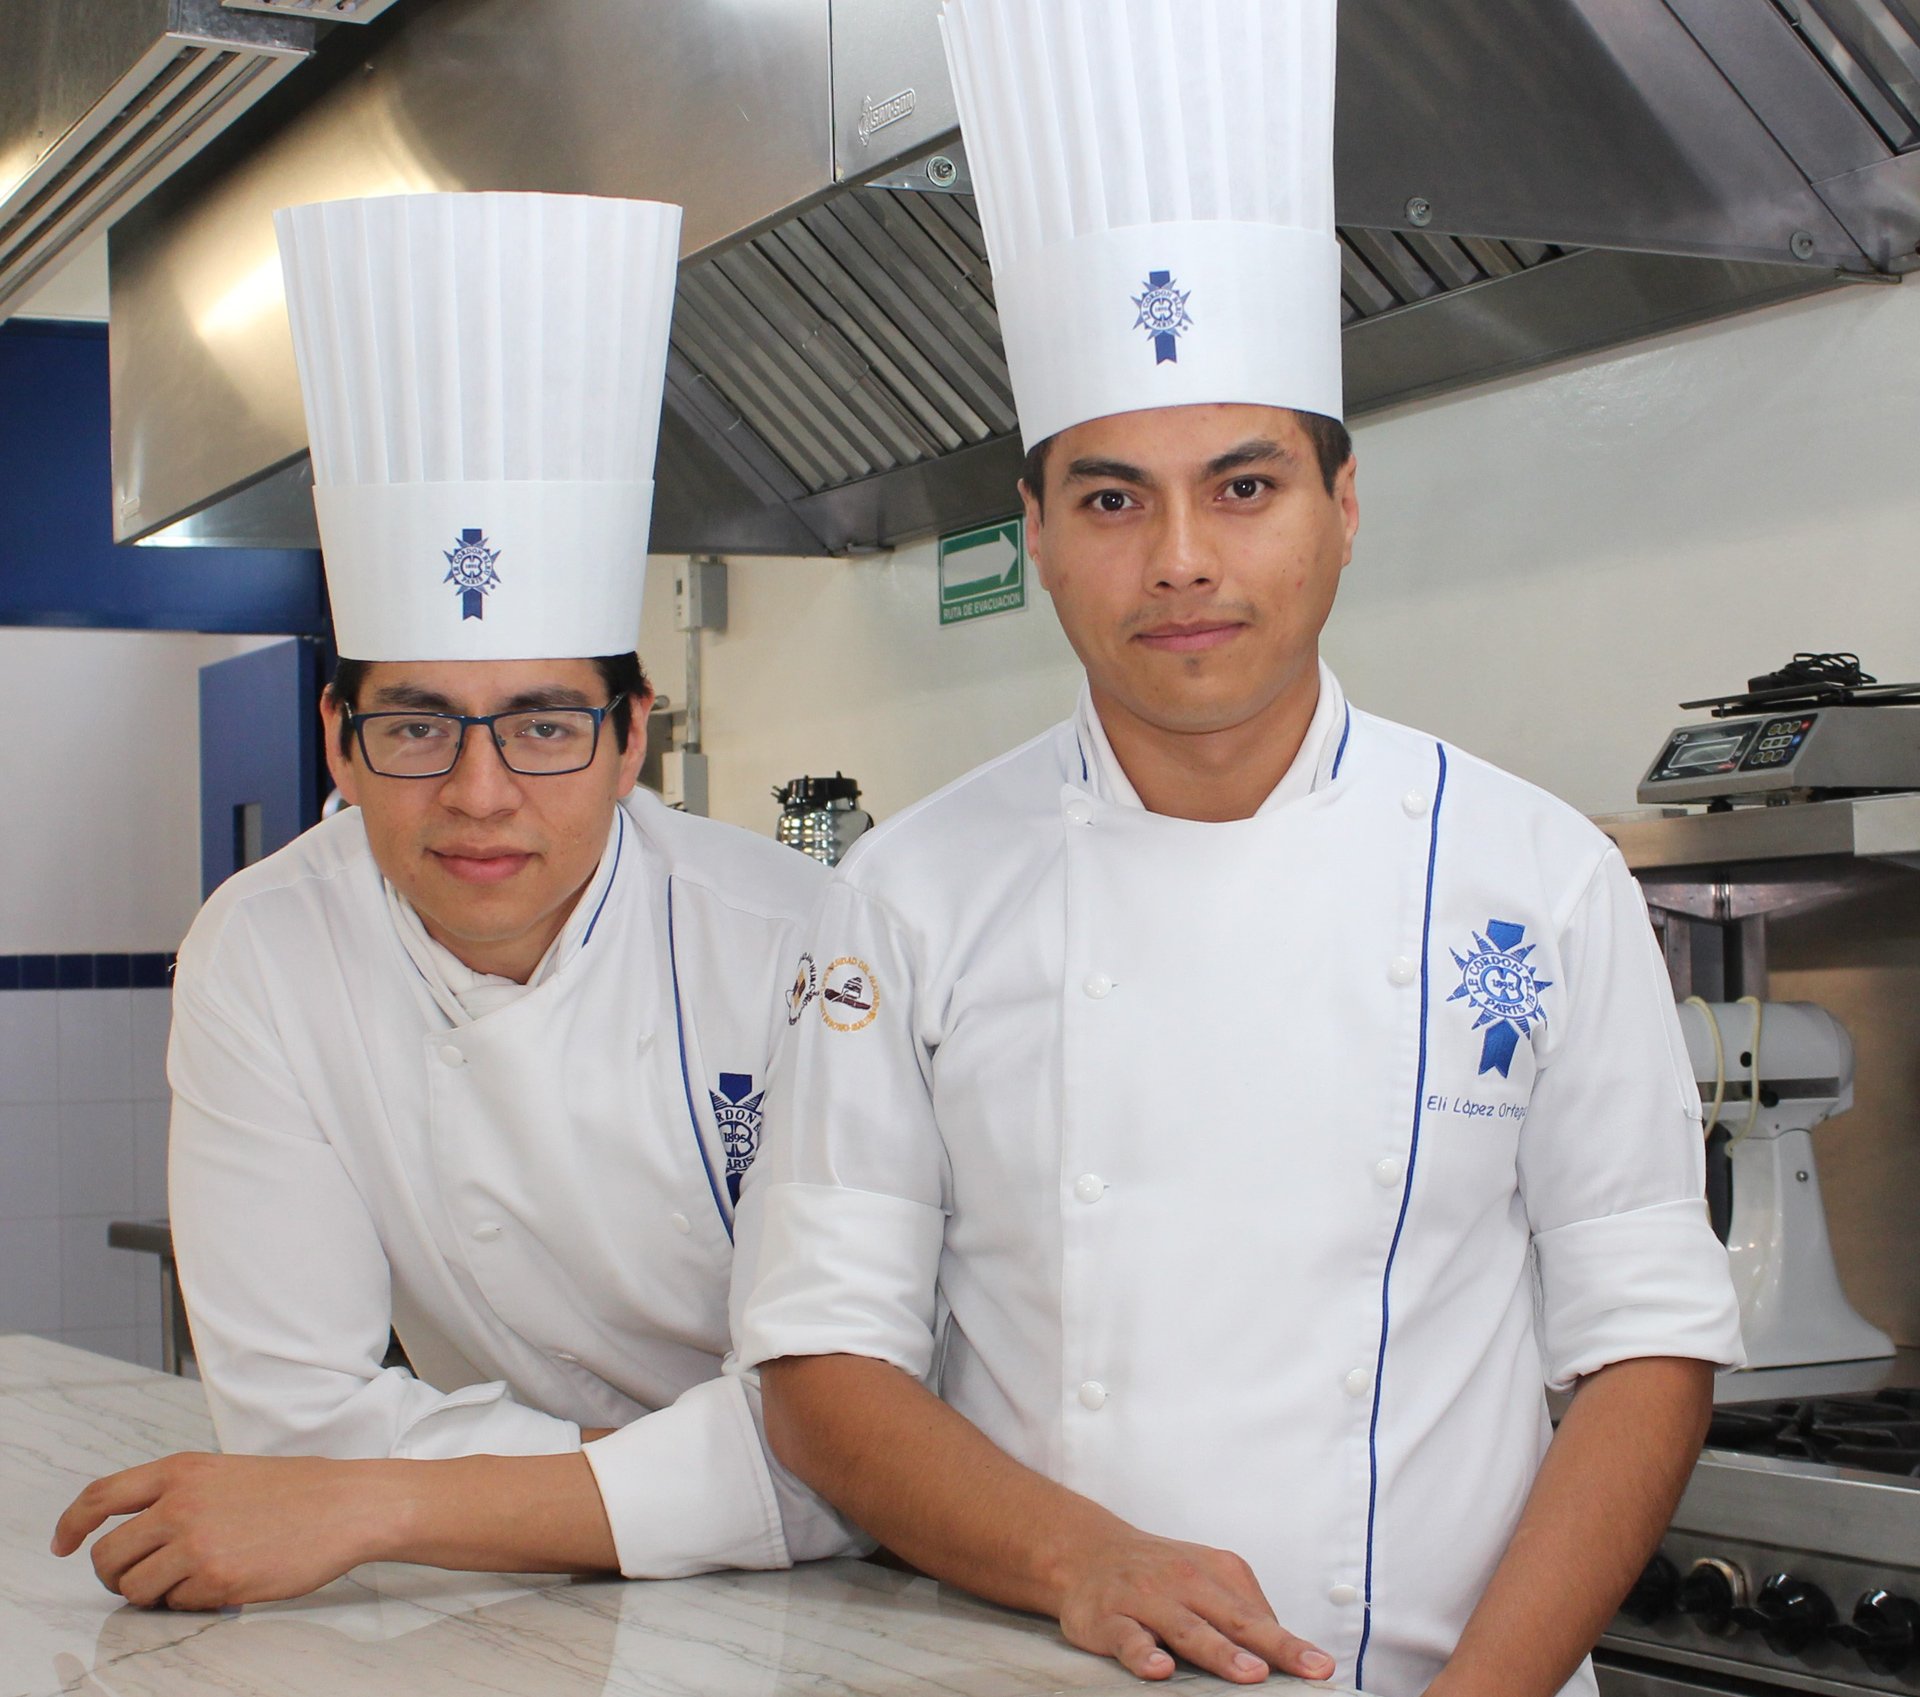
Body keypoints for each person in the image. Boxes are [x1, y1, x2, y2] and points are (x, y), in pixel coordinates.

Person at [731, 3, 1744, 1693]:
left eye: (1247, 486)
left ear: (1345, 511)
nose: (1183, 560)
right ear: (1041, 539)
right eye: (1115, 498)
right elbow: (819, 1363)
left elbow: (1646, 1340)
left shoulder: (1538, 877)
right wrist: (1087, 1556)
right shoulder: (908, 895)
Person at [54, 192, 848, 1608]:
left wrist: (391, 1499)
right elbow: (301, 1420)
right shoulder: (264, 949)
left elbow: (858, 1431)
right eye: (417, 727)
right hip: (557, 1604)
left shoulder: (797, 944)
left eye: (541, 725)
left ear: (632, 736)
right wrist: (694, 1487)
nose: (480, 793)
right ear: (336, 740)